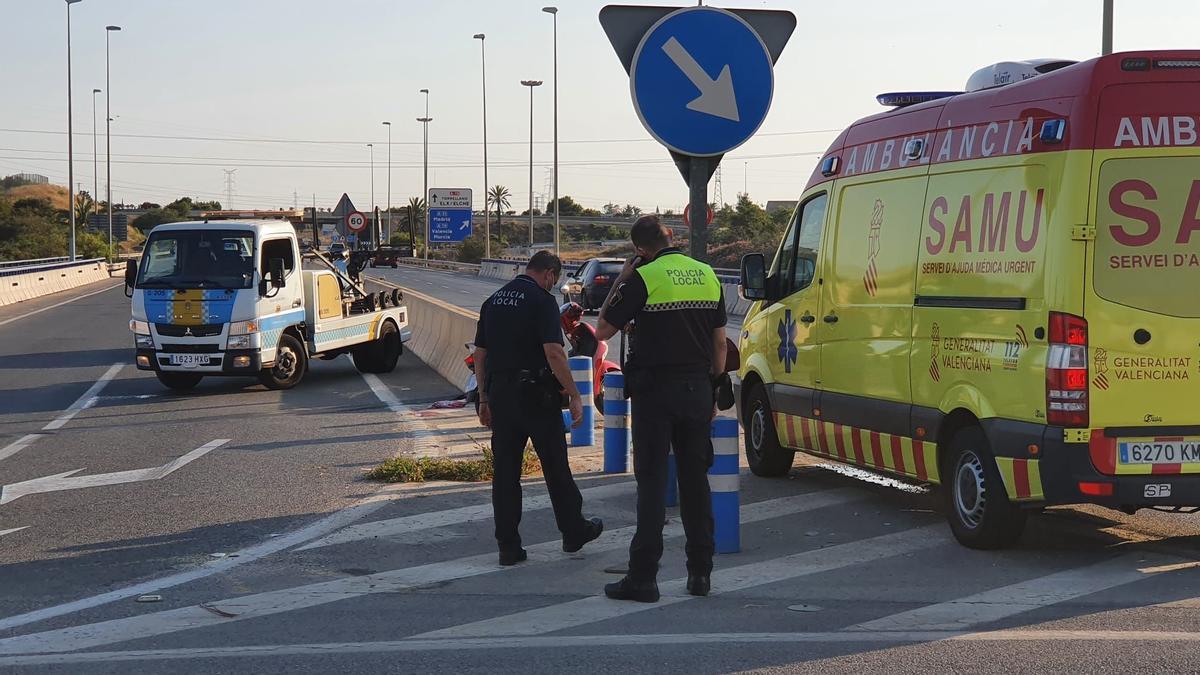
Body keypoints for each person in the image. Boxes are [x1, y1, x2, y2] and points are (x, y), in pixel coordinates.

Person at [595, 215, 727, 602]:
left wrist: (623, 277)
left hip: (655, 393)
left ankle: (643, 578)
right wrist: (715, 388)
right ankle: (700, 574)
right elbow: (720, 345)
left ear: (639, 249)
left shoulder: (643, 276)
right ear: (672, 238)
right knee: (695, 483)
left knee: (652, 483)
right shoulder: (706, 274)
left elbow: (602, 328)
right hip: (698, 390)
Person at [473, 251, 604, 566]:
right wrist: (574, 393)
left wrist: (484, 399)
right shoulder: (542, 300)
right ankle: (573, 532)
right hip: (536, 397)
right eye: (554, 279)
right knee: (556, 469)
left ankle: (508, 546)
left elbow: (479, 355)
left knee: (505, 474)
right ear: (549, 274)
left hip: (501, 396)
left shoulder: (493, 300)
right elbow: (554, 352)